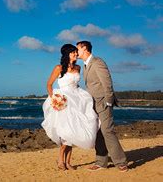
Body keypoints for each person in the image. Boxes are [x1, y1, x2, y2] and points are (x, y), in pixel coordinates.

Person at [41, 44, 99, 171]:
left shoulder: (78, 67)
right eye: (73, 52)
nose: (76, 54)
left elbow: (76, 85)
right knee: (66, 132)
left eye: (76, 52)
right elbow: (49, 85)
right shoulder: (59, 68)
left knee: (74, 130)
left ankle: (68, 162)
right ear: (67, 54)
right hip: (64, 100)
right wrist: (54, 99)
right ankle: (61, 161)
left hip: (77, 99)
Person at [76, 41, 128, 172]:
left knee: (107, 131)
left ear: (85, 48)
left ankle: (121, 162)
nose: (76, 52)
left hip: (103, 102)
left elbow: (107, 82)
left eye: (78, 49)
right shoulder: (86, 65)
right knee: (97, 132)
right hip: (92, 103)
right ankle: (101, 162)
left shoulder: (97, 62)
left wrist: (109, 100)